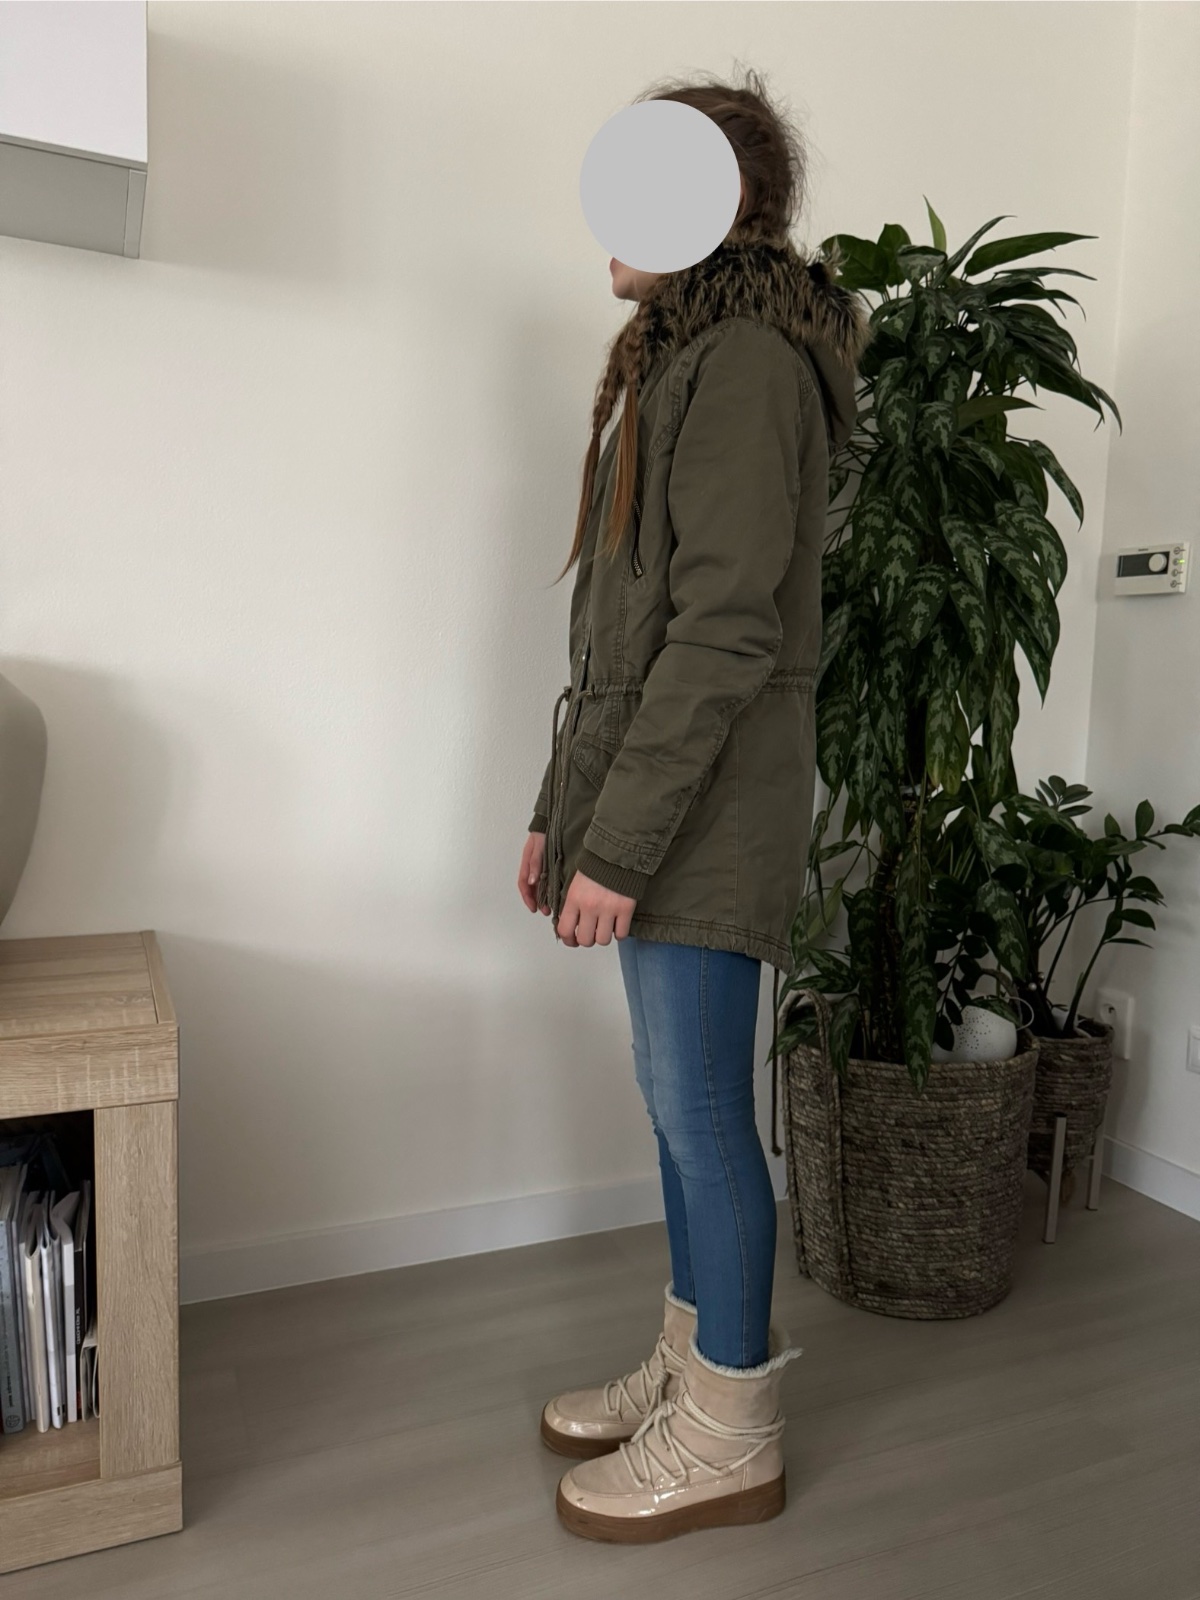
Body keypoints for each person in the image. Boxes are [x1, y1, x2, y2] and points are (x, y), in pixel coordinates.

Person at [516, 69, 872, 1542]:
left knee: (704, 1113)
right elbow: (617, 635)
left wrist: (619, 840)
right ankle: (693, 1359)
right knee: (679, 1111)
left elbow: (724, 634)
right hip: (659, 801)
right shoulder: (682, 360)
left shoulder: (745, 368)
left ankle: (733, 1429)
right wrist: (561, 813)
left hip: (707, 811)